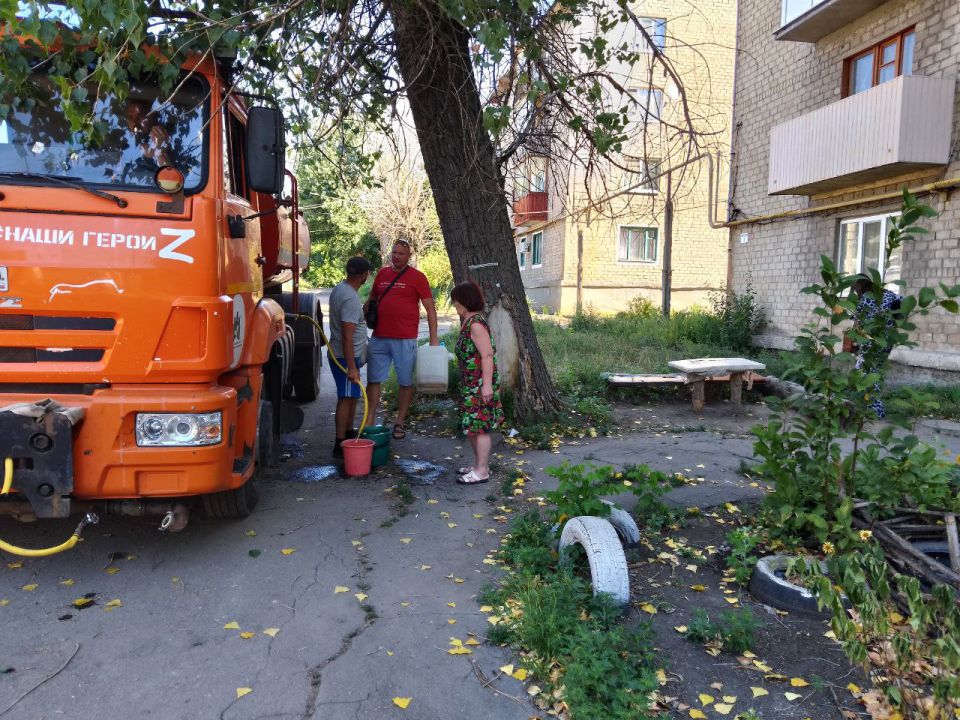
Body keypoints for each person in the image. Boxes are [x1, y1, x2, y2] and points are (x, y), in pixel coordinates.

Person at [364, 239, 439, 440]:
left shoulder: (418, 277)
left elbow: (430, 309)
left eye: (401, 254)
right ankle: (369, 421)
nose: (396, 256)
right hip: (379, 337)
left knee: (405, 381)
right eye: (394, 252)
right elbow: (371, 301)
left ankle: (399, 422)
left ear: (409, 257)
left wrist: (433, 339)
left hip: (405, 338)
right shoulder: (382, 274)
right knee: (373, 379)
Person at [451, 281, 504, 484]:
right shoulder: (468, 321)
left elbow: (487, 355)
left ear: (465, 302)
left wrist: (487, 386)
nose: (455, 305)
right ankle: (479, 465)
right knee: (472, 426)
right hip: (470, 384)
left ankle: (482, 471)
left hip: (480, 384)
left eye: (457, 302)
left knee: (479, 426)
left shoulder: (475, 324)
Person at [328, 256, 372, 457]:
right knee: (346, 398)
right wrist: (352, 367)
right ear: (364, 275)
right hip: (345, 358)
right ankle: (339, 442)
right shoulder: (350, 298)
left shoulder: (341, 288)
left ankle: (347, 432)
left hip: (347, 356)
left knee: (352, 396)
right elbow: (347, 335)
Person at [849, 275, 903, 419]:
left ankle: (876, 410)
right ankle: (864, 405)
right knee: (869, 371)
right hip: (888, 340)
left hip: (872, 341)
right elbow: (902, 304)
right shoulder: (888, 294)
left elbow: (857, 323)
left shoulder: (865, 298)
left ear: (859, 287)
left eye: (855, 289)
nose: (855, 292)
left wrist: (855, 340)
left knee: (866, 372)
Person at [123, 98, 173, 168]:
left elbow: (169, 177)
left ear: (151, 117)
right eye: (130, 117)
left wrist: (159, 151)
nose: (134, 122)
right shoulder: (123, 147)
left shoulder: (163, 140)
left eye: (139, 116)